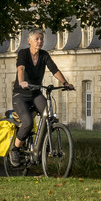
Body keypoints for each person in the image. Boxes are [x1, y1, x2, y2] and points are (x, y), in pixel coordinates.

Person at [10, 30, 72, 165]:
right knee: (27, 122)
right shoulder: (23, 53)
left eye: (41, 39)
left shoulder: (44, 55)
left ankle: (43, 144)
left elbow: (54, 70)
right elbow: (20, 68)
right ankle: (15, 149)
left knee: (49, 116)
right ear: (29, 41)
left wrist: (65, 83)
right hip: (21, 95)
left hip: (36, 94)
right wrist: (21, 82)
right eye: (37, 39)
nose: (40, 42)